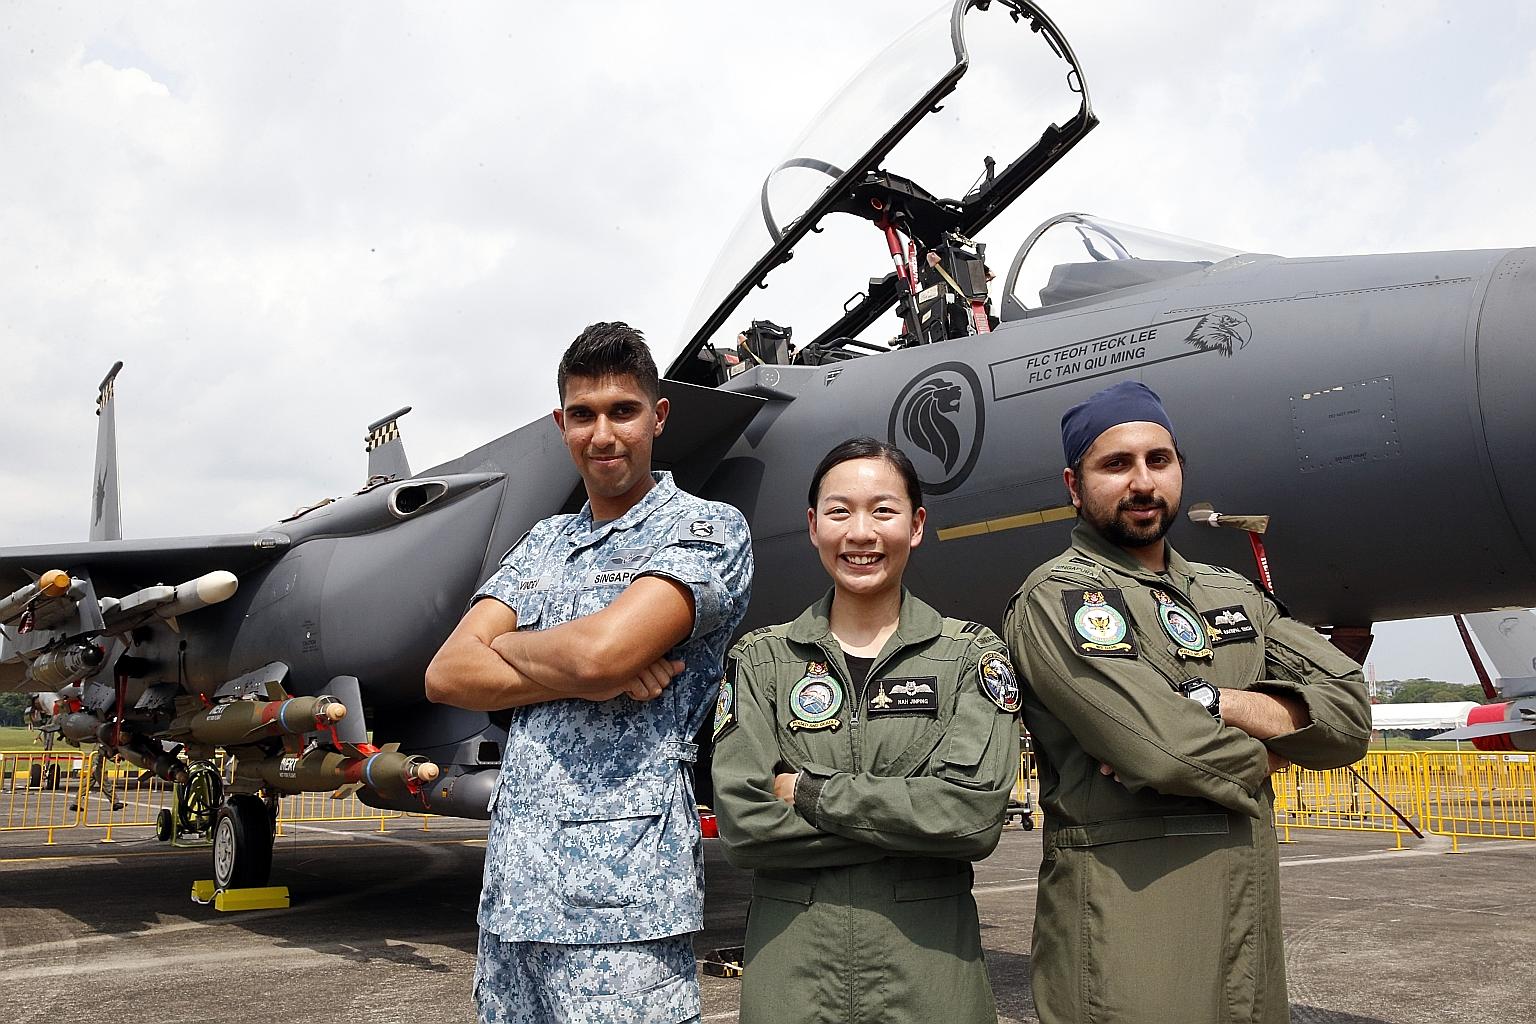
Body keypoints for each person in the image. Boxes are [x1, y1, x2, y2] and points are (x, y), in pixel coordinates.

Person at [1003, 380, 1372, 1024]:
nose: (1142, 483)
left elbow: (1349, 713)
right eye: (1115, 465)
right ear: (1073, 485)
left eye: (1158, 460)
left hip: (1246, 930)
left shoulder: (1229, 594)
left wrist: (1220, 701)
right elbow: (1163, 750)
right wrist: (1281, 747)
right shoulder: (1059, 599)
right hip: (1133, 934)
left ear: (1179, 470)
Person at [425, 322, 753, 1024]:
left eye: (623, 411)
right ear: (561, 423)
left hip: (623, 911)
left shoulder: (705, 529)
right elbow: (448, 672)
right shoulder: (547, 541)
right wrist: (582, 671)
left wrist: (521, 645)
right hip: (514, 903)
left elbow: (605, 652)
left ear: (658, 417)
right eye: (583, 415)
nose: (602, 434)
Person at [713, 437, 1020, 1024]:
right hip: (794, 975)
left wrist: (808, 792)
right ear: (812, 526)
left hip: (928, 975)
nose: (860, 533)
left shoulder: (969, 655)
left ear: (917, 524)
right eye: (838, 511)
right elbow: (744, 826)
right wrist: (912, 818)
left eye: (883, 510)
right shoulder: (759, 660)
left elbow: (971, 820)